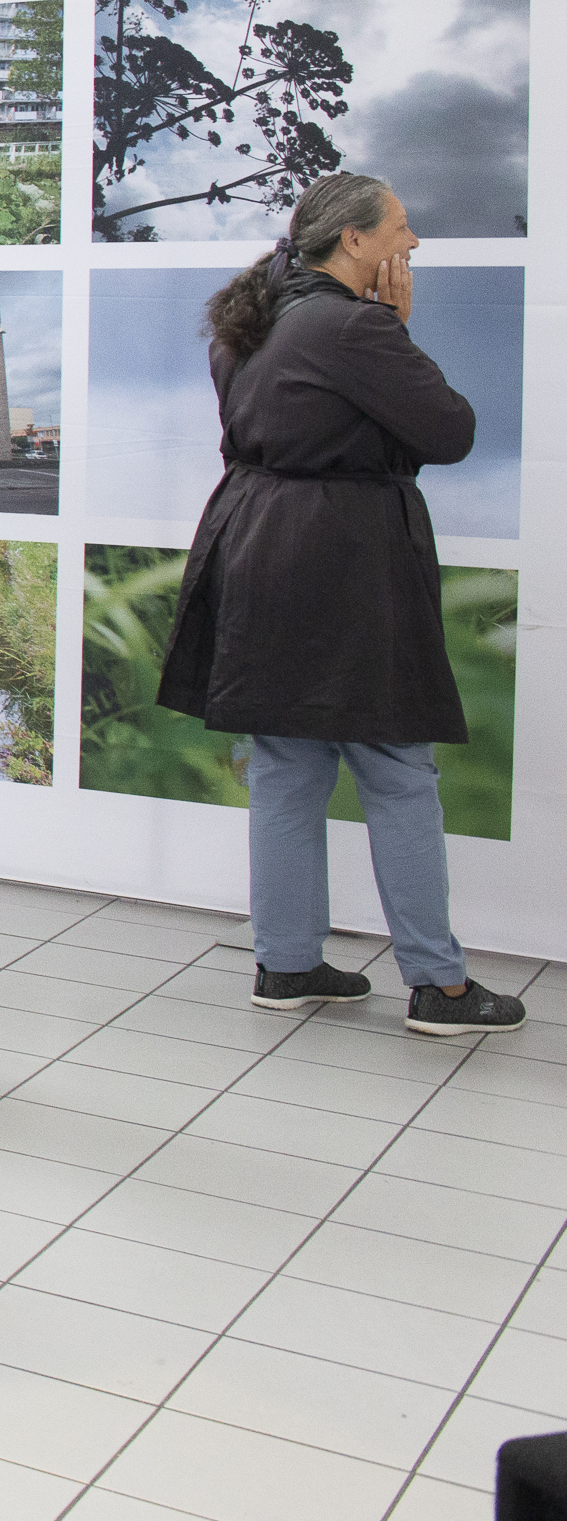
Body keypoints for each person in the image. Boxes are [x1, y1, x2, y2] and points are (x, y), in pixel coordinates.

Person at [160, 175, 523, 1035]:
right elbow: (451, 431)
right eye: (400, 228)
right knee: (399, 773)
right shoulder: (355, 327)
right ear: (353, 241)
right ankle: (440, 986)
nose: (412, 244)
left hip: (257, 544)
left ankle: (287, 965)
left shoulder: (248, 320)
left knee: (288, 768)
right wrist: (399, 330)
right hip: (345, 559)